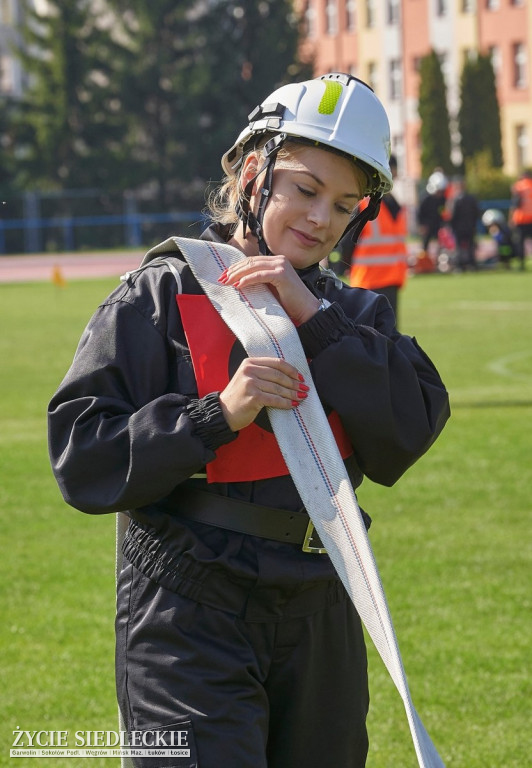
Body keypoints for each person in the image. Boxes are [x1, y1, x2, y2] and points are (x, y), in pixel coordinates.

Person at [47, 73, 450, 768]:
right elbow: (83, 455)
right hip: (185, 610)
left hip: (320, 604)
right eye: (305, 188)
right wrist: (214, 417)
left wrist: (313, 321)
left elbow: (409, 430)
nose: (322, 218)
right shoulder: (159, 294)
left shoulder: (353, 318)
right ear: (253, 172)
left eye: (344, 204)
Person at [347, 154, 408, 324]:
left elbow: (347, 244)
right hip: (372, 281)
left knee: (381, 338)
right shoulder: (373, 205)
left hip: (378, 279)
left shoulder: (387, 205)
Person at [416, 169, 449, 268]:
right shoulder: (425, 199)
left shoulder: (442, 199)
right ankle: (424, 264)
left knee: (442, 244)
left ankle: (440, 262)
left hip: (438, 225)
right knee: (425, 245)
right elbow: (420, 214)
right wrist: (422, 225)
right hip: (427, 225)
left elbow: (443, 211)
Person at [449, 179, 480, 272]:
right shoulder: (471, 198)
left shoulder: (455, 199)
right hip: (470, 226)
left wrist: (452, 226)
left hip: (459, 227)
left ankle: (460, 265)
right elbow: (477, 212)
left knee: (459, 247)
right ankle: (471, 264)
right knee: (470, 246)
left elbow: (453, 214)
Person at [510, 169, 532, 271]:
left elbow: (515, 203)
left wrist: (511, 218)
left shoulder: (518, 186)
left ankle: (521, 263)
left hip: (521, 219)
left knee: (520, 242)